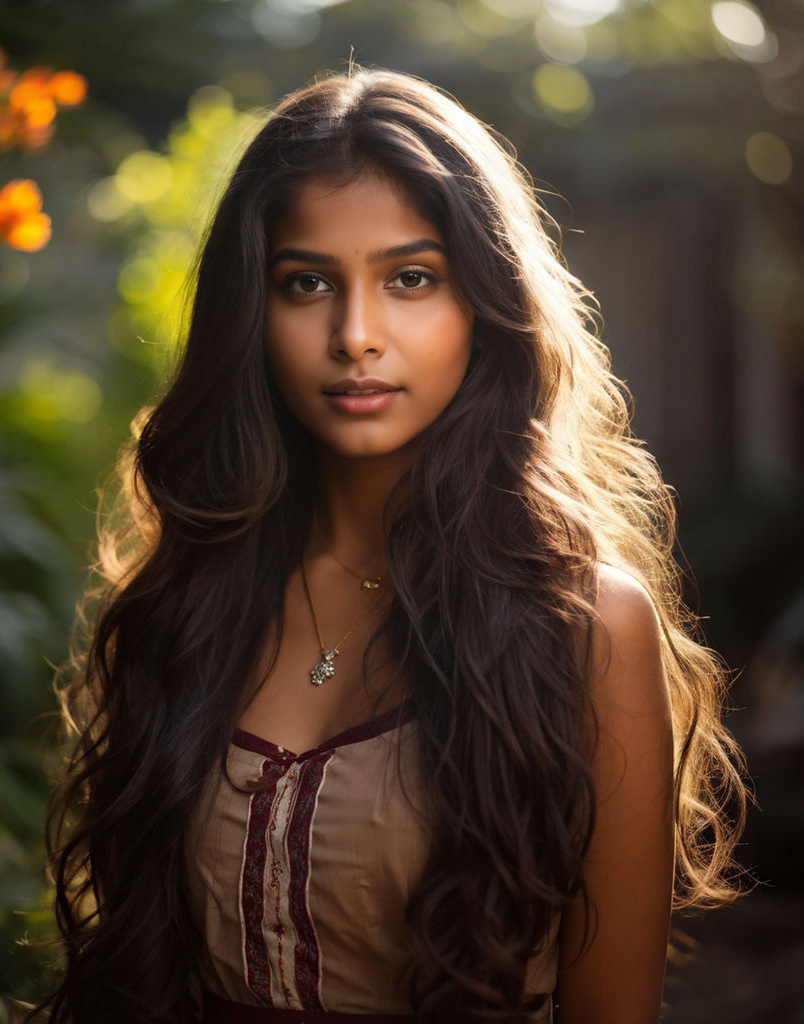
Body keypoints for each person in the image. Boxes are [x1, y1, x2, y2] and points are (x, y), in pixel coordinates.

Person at [38, 68, 747, 1023]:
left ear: (483, 305)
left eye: (410, 278)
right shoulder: (192, 593)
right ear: (253, 311)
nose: (356, 335)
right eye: (307, 284)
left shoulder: (583, 626)